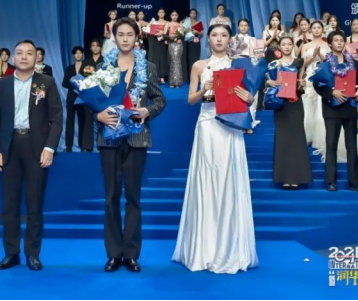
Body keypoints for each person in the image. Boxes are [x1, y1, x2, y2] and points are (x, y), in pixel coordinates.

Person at [173, 23, 257, 274]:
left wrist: (249, 98)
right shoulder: (199, 66)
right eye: (214, 35)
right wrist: (204, 88)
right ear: (207, 39)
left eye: (223, 35)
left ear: (229, 39)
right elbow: (190, 100)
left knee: (229, 180)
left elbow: (250, 97)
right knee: (207, 179)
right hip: (208, 125)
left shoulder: (238, 65)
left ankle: (231, 248)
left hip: (230, 126)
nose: (219, 39)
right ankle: (204, 248)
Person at [97, 18, 166, 273]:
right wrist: (97, 114)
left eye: (130, 34)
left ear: (137, 37)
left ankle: (132, 254)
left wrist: (148, 110)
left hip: (137, 138)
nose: (125, 38)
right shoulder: (103, 66)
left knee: (133, 197)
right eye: (121, 34)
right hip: (110, 137)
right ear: (114, 37)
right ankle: (114, 254)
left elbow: (160, 100)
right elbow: (93, 99)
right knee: (111, 197)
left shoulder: (148, 67)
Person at [0, 40, 62, 272]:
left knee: (34, 203)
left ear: (36, 58)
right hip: (9, 148)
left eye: (29, 53)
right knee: (9, 203)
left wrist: (49, 148)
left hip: (36, 148)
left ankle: (33, 254)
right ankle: (11, 253)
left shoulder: (46, 82)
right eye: (19, 53)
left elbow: (57, 119)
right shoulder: (2, 84)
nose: (24, 57)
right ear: (12, 58)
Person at [301, 22, 358, 162]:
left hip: (333, 82)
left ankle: (323, 139)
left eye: (319, 27)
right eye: (314, 28)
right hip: (315, 77)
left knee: (323, 110)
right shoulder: (306, 46)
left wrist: (321, 55)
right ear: (310, 30)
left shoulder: (335, 50)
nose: (316, 30)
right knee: (310, 107)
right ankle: (310, 137)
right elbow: (303, 64)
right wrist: (313, 56)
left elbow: (333, 64)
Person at [312, 31, 358, 192]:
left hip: (349, 108)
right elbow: (317, 85)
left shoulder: (352, 63)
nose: (340, 42)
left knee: (352, 146)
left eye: (342, 40)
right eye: (336, 40)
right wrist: (331, 92)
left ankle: (354, 182)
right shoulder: (325, 63)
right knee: (331, 145)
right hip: (332, 109)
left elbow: (357, 84)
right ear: (330, 44)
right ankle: (331, 181)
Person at [266, 35, 312, 189]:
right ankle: (285, 177)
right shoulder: (274, 64)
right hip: (280, 104)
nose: (286, 46)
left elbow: (301, 84)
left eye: (289, 44)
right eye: (283, 44)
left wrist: (302, 84)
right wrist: (272, 82)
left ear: (293, 46)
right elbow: (266, 81)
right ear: (279, 47)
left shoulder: (299, 62)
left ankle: (297, 177)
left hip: (295, 103)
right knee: (283, 139)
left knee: (297, 139)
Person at [62, 46, 90, 152]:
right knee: (69, 121)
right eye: (76, 53)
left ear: (82, 54)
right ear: (73, 55)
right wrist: (74, 84)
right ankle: (68, 146)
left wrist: (83, 84)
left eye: (80, 53)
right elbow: (64, 83)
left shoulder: (87, 68)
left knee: (82, 121)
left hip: (82, 98)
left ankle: (82, 145)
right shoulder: (69, 68)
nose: (78, 55)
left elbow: (91, 81)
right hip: (71, 98)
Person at [166, 10, 185, 88]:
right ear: (170, 16)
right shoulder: (168, 24)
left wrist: (180, 36)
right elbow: (164, 34)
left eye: (176, 15)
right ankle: (172, 81)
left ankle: (177, 82)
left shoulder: (180, 24)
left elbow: (183, 35)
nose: (174, 16)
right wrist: (172, 38)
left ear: (178, 16)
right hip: (171, 44)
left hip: (179, 44)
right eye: (173, 15)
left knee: (178, 61)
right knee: (173, 61)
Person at [185, 9, 203, 80]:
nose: (193, 14)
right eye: (191, 13)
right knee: (189, 59)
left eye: (194, 13)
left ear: (196, 14)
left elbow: (201, 33)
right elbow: (183, 31)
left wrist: (196, 31)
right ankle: (190, 77)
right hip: (188, 42)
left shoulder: (198, 23)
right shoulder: (186, 22)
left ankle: (196, 77)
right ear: (189, 14)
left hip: (196, 42)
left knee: (196, 59)